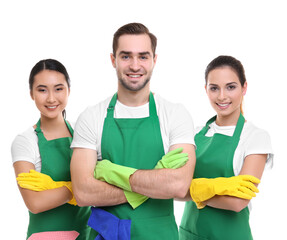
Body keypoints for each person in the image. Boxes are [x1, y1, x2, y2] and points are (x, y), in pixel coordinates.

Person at [70, 22, 196, 239]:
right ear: (113, 60)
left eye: (143, 56)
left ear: (154, 60)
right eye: (126, 56)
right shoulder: (91, 117)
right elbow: (83, 192)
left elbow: (178, 185)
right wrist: (154, 183)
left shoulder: (175, 114)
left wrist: (112, 174)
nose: (135, 65)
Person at [179, 55, 274, 240]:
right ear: (206, 90)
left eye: (231, 87)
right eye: (214, 88)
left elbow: (239, 201)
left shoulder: (256, 137)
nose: (222, 96)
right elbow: (171, 188)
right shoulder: (194, 134)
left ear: (244, 87)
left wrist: (190, 189)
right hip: (188, 235)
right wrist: (207, 188)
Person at [11, 59, 91, 239]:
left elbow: (101, 182)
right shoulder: (25, 141)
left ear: (69, 90)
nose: (51, 98)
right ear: (31, 93)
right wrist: (80, 189)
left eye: (58, 88)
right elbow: (35, 202)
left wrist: (57, 189)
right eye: (42, 90)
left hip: (87, 234)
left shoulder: (84, 133)